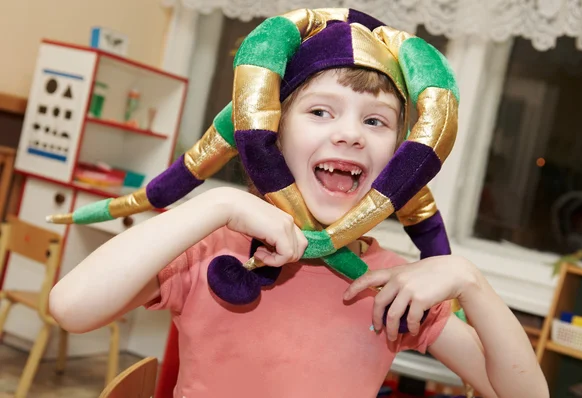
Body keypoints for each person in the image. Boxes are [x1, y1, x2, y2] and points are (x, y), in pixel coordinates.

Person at [48, 8, 548, 398]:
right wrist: (214, 206)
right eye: (320, 111)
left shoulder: (394, 286)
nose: (350, 133)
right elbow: (71, 307)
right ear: (275, 132)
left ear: (398, 159)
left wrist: (469, 281)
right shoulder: (211, 249)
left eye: (375, 121)